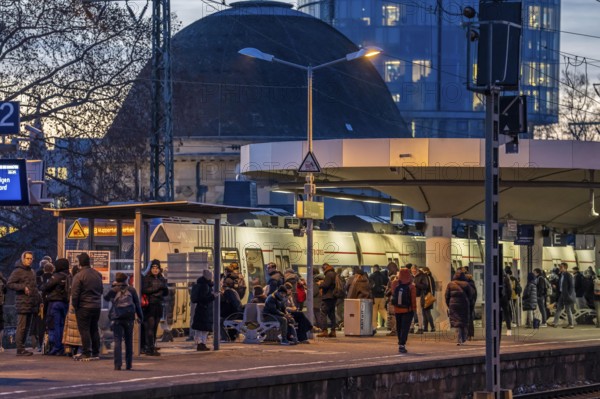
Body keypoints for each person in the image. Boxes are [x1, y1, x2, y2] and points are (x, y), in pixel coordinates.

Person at [104, 272, 143, 370]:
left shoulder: (114, 290)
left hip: (117, 317)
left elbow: (106, 298)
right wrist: (140, 316)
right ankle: (129, 365)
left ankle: (117, 365)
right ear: (126, 280)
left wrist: (112, 287)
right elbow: (137, 304)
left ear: (117, 280)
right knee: (129, 341)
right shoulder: (131, 290)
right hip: (129, 318)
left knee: (117, 341)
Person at [71, 252, 103, 361]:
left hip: (83, 306)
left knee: (84, 329)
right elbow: (101, 290)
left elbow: (75, 294)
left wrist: (75, 306)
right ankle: (96, 351)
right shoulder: (97, 274)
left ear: (80, 263)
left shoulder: (79, 276)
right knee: (94, 329)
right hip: (96, 306)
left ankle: (86, 352)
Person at [7, 251, 39, 356]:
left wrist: (39, 301)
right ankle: (20, 349)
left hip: (31, 303)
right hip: (22, 303)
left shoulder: (32, 271)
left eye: (31, 258)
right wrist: (22, 287)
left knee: (27, 327)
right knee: (21, 327)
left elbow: (35, 288)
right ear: (23, 259)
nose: (29, 260)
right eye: (27, 258)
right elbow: (10, 284)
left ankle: (22, 348)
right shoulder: (18, 271)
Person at [42, 258, 70, 355]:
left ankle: (57, 347)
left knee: (55, 325)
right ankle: (65, 346)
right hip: (66, 303)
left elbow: (46, 287)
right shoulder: (69, 276)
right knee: (64, 325)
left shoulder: (57, 276)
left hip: (55, 303)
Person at [142, 259, 168, 356]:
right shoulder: (147, 278)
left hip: (158, 305)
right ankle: (149, 347)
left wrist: (160, 291)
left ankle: (151, 346)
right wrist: (158, 289)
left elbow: (165, 292)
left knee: (155, 327)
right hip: (150, 305)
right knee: (150, 327)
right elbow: (145, 290)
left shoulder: (162, 278)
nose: (155, 270)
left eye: (157, 268)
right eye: (153, 268)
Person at [445, 270, 475, 346]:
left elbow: (447, 296)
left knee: (456, 321)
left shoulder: (450, 284)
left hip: (453, 305)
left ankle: (459, 339)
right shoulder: (466, 284)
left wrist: (449, 304)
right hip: (464, 304)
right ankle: (464, 337)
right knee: (464, 321)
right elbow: (471, 295)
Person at [391, 268, 417, 354]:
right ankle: (402, 344)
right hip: (408, 310)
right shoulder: (411, 286)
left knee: (399, 327)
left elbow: (393, 294)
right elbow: (413, 299)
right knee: (405, 328)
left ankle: (400, 342)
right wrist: (414, 309)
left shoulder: (394, 283)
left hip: (397, 309)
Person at [191, 269, 217, 351]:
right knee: (204, 329)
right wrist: (213, 296)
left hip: (200, 309)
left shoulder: (201, 284)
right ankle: (202, 344)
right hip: (204, 310)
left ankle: (200, 343)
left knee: (200, 328)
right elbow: (204, 299)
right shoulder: (205, 286)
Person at [62, 265, 82, 356]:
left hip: (70, 303)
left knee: (70, 328)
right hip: (79, 304)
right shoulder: (80, 279)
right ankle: (78, 349)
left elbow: (67, 290)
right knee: (78, 328)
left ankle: (69, 349)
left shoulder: (69, 278)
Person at [548, 262, 575, 329]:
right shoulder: (561, 275)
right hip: (561, 294)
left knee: (568, 309)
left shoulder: (568, 275)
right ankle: (555, 323)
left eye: (561, 267)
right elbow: (560, 285)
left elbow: (571, 286)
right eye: (560, 267)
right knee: (558, 309)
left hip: (566, 295)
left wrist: (569, 294)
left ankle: (571, 324)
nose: (560, 268)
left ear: (565, 268)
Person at [317, 263, 337, 338]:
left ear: (324, 268)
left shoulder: (329, 274)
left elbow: (326, 285)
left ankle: (324, 331)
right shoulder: (334, 274)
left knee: (323, 313)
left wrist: (320, 284)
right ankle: (333, 331)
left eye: (322, 269)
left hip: (327, 297)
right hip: (333, 297)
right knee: (332, 314)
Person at [369, 265, 388, 330]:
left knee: (374, 310)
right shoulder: (384, 276)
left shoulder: (372, 276)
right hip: (382, 296)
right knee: (382, 309)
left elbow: (370, 286)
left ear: (374, 269)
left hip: (375, 296)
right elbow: (387, 284)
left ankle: (374, 326)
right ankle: (389, 322)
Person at [385, 261, 399, 336]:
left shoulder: (393, 277)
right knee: (394, 315)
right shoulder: (398, 275)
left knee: (393, 315)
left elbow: (392, 288)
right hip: (396, 298)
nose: (388, 271)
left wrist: (387, 291)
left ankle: (394, 330)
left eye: (389, 269)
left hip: (392, 298)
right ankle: (395, 329)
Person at [411, 265, 427, 334]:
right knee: (411, 312)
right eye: (412, 271)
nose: (413, 272)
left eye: (414, 271)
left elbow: (425, 286)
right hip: (411, 296)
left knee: (419, 312)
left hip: (419, 296)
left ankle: (420, 328)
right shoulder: (411, 276)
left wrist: (416, 284)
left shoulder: (422, 276)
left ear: (417, 270)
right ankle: (411, 327)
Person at [421, 267, 436, 333]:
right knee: (424, 312)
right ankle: (426, 327)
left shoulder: (428, 277)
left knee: (427, 312)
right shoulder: (429, 277)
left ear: (425, 271)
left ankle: (432, 327)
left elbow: (429, 287)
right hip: (427, 296)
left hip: (427, 296)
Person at [0, 271, 7, 352]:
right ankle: (0, 346)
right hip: (0, 304)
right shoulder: (2, 281)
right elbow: (5, 291)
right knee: (1, 325)